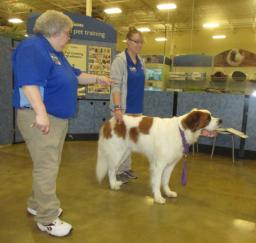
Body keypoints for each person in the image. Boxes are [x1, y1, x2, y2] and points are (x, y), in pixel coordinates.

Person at [12, 10, 113, 237]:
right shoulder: (33, 47)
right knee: (47, 166)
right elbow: (28, 83)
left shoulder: (54, 52)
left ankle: (36, 203)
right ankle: (47, 218)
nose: (69, 38)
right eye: (68, 33)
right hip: (40, 118)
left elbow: (75, 75)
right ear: (55, 31)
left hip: (56, 119)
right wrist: (41, 113)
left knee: (48, 164)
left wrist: (98, 78)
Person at [110, 27, 145, 183]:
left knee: (130, 142)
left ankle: (125, 169)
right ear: (128, 42)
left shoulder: (141, 61)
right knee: (119, 142)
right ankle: (114, 171)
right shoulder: (120, 60)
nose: (139, 45)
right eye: (136, 41)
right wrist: (117, 108)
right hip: (123, 109)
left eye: (141, 42)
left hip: (136, 109)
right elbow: (115, 86)